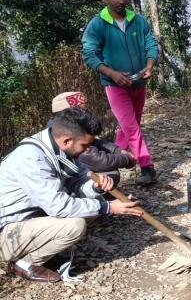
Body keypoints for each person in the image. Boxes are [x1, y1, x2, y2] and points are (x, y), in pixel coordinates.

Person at [0, 108, 142, 283]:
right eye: (85, 145)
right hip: (7, 232)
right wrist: (109, 207)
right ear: (67, 140)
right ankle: (26, 263)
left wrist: (95, 187)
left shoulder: (57, 146)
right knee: (75, 224)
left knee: (90, 208)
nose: (88, 150)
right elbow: (59, 206)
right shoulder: (32, 159)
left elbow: (75, 186)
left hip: (31, 218)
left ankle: (45, 250)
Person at [81, 0, 159, 186]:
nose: (121, 1)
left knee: (128, 127)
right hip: (115, 87)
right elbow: (89, 55)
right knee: (132, 128)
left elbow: (151, 43)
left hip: (138, 84)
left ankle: (113, 161)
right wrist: (112, 73)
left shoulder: (138, 21)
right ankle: (147, 167)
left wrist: (149, 65)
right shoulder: (97, 25)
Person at [52, 92, 136, 186]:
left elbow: (96, 142)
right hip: (70, 184)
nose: (85, 114)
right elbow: (100, 161)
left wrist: (117, 150)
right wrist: (127, 159)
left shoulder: (67, 128)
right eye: (80, 111)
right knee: (111, 174)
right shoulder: (69, 136)